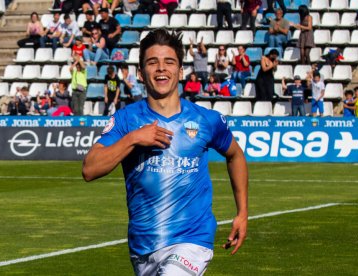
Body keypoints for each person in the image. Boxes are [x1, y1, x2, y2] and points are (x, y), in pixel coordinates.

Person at [82, 29, 248, 275]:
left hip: (193, 239)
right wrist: (134, 139)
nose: (161, 68)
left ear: (180, 71)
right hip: (143, 246)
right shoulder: (126, 120)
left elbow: (235, 155)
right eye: (152, 62)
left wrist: (242, 212)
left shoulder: (207, 120)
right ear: (140, 73)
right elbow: (90, 169)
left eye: (169, 62)